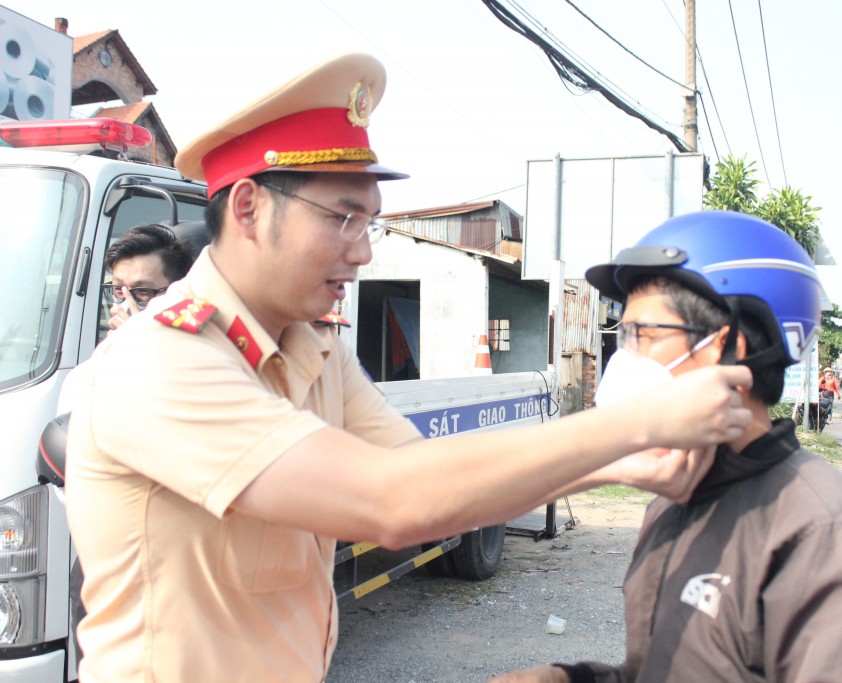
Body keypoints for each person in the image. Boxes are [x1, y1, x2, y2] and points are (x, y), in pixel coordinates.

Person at [63, 53, 753, 683]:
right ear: (248, 206)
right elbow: (391, 502)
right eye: (343, 218)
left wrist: (618, 466)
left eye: (371, 224)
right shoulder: (161, 360)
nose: (363, 253)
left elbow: (432, 480)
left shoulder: (315, 349)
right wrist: (632, 426)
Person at [492, 211, 842, 683]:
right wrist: (575, 680)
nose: (623, 360)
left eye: (643, 337)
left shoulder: (828, 535)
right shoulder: (675, 496)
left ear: (729, 346)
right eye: (623, 336)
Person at [56, 222, 199, 658]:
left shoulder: (204, 366)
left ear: (179, 295)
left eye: (142, 293)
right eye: (117, 290)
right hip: (106, 569)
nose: (123, 305)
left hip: (180, 574)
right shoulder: (94, 367)